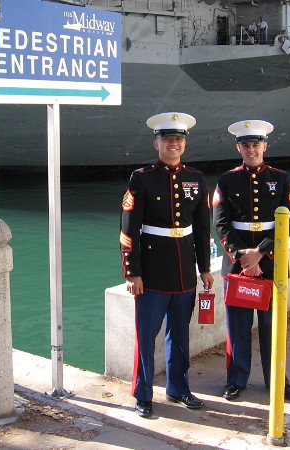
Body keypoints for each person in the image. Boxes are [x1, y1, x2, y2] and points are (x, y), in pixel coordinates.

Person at [120, 112, 214, 418]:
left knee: (180, 334)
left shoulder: (197, 179)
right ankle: (143, 394)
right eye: (168, 139)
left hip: (185, 269)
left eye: (179, 139)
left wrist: (205, 268)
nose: (173, 144)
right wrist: (132, 272)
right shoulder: (142, 177)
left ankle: (178, 388)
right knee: (146, 335)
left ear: (184, 144)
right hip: (152, 270)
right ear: (156, 142)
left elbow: (202, 229)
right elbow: (128, 229)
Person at [212, 120, 290, 402]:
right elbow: (221, 224)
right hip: (237, 264)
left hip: (271, 262)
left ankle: (277, 379)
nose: (251, 150)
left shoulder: (281, 177)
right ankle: (236, 380)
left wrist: (260, 252)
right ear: (239, 147)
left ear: (265, 146)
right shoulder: (226, 180)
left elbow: (289, 220)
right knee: (237, 327)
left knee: (272, 327)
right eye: (245, 145)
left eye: (256, 145)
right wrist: (243, 257)